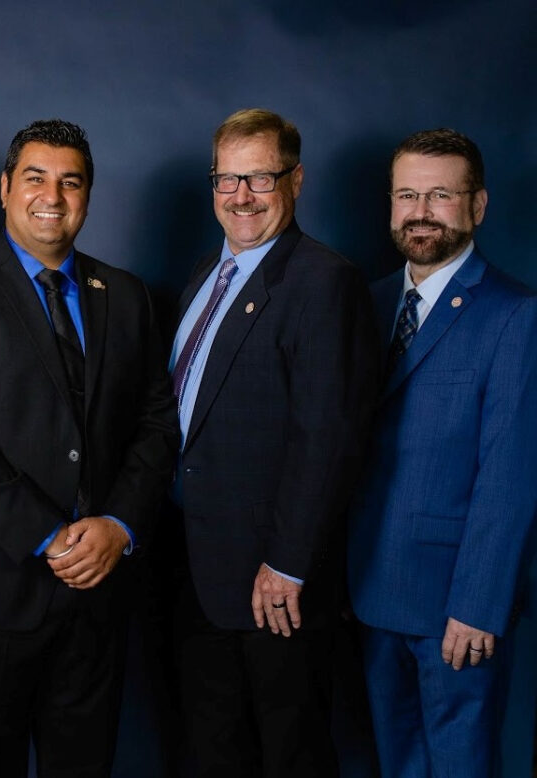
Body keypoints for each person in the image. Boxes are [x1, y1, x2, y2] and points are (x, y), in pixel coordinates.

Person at [0, 118, 179, 778]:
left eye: (70, 182)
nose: (52, 196)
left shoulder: (127, 295)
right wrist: (50, 536)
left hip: (96, 596)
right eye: (35, 178)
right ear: (4, 188)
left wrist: (119, 525)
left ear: (87, 196)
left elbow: (156, 424)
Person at [168, 108, 377, 776]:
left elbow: (329, 433)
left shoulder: (323, 280)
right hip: (195, 565)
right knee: (214, 748)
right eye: (227, 180)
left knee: (291, 752)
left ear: (296, 179)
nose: (241, 197)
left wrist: (288, 562)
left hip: (272, 582)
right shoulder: (206, 274)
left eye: (259, 177)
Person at [347, 128, 537, 777]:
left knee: (458, 765)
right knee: (391, 762)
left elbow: (510, 477)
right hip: (370, 593)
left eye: (440, 195)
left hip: (455, 608)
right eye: (407, 194)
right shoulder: (366, 304)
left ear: (477, 206)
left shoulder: (515, 316)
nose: (420, 210)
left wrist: (479, 606)